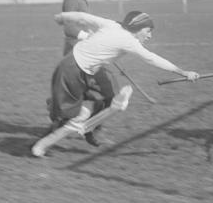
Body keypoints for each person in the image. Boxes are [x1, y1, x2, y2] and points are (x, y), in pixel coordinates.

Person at [32, 10, 200, 157]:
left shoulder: (112, 24)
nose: (150, 36)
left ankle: (83, 126)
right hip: (71, 71)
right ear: (137, 28)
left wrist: (63, 17)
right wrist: (183, 72)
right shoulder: (129, 41)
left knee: (110, 100)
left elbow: (83, 17)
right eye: (148, 31)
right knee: (74, 116)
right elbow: (151, 58)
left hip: (84, 70)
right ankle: (41, 145)